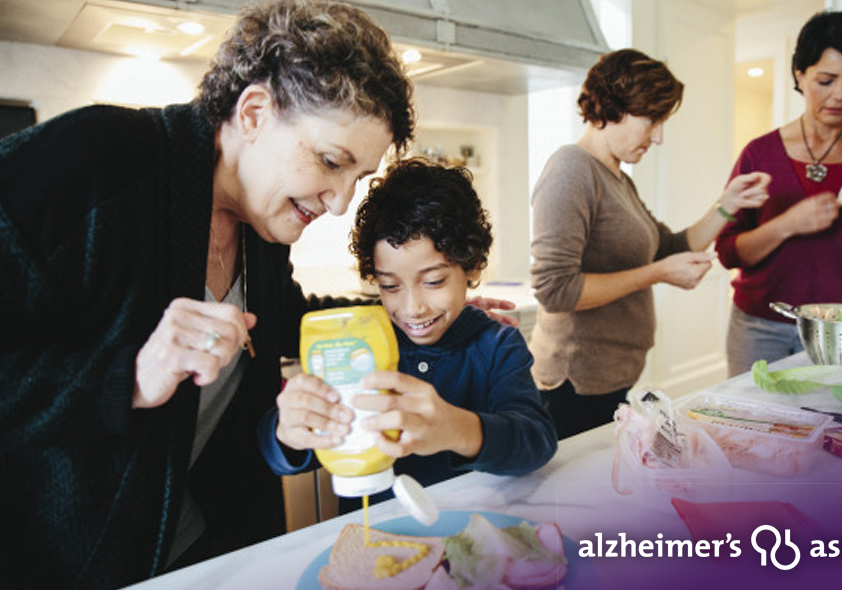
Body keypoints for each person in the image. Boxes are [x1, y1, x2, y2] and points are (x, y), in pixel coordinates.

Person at [0, 1, 417, 588]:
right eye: (330, 161)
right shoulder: (93, 162)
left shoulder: (262, 233)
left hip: (201, 550)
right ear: (253, 113)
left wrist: (406, 312)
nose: (341, 202)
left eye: (359, 179)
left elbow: (282, 317)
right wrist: (131, 378)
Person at [260, 158, 558, 509]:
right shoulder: (357, 343)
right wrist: (288, 431)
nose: (413, 307)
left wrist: (458, 429)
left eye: (434, 281)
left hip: (467, 532)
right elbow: (277, 451)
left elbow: (536, 441)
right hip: (374, 535)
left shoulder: (497, 344)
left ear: (473, 266)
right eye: (390, 286)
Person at [528, 49, 770, 440]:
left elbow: (666, 246)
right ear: (612, 108)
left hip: (609, 377)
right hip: (574, 383)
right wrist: (657, 275)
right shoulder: (571, 169)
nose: (658, 137)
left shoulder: (617, 177)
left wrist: (727, 205)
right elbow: (556, 290)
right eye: (652, 121)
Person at [715, 10, 842, 377]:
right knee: (754, 427)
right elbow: (729, 252)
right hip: (760, 327)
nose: (840, 95)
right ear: (800, 74)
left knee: (836, 428)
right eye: (826, 80)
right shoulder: (759, 154)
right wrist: (788, 224)